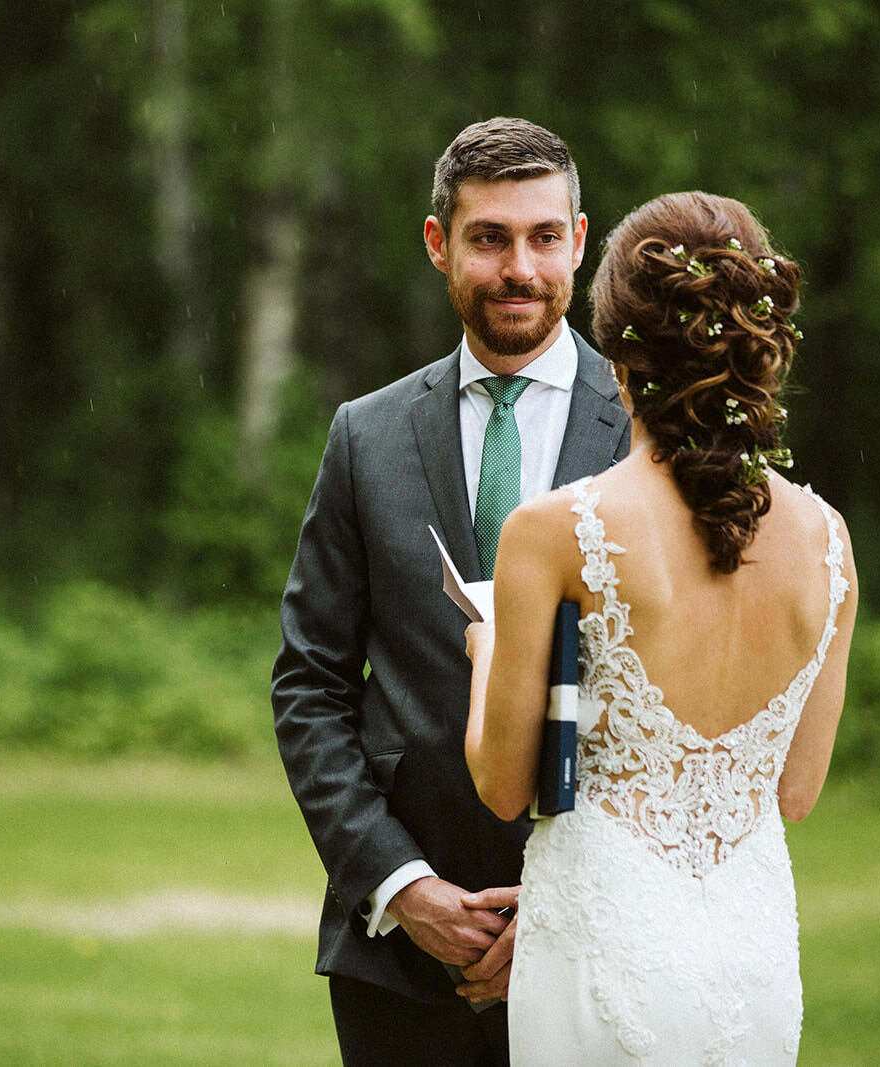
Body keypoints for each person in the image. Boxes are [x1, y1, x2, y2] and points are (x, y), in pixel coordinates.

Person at [462, 190, 859, 1064]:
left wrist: (487, 645)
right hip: (750, 954)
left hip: (604, 942)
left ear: (617, 350)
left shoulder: (555, 530)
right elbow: (795, 791)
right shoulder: (827, 541)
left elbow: (500, 786)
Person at [271, 117, 629, 1066]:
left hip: (602, 951)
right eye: (490, 237)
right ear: (439, 244)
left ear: (581, 240)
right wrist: (401, 887)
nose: (520, 267)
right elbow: (309, 684)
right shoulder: (365, 436)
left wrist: (559, 910)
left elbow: (672, 719)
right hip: (399, 963)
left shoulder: (644, 434)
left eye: (544, 237)